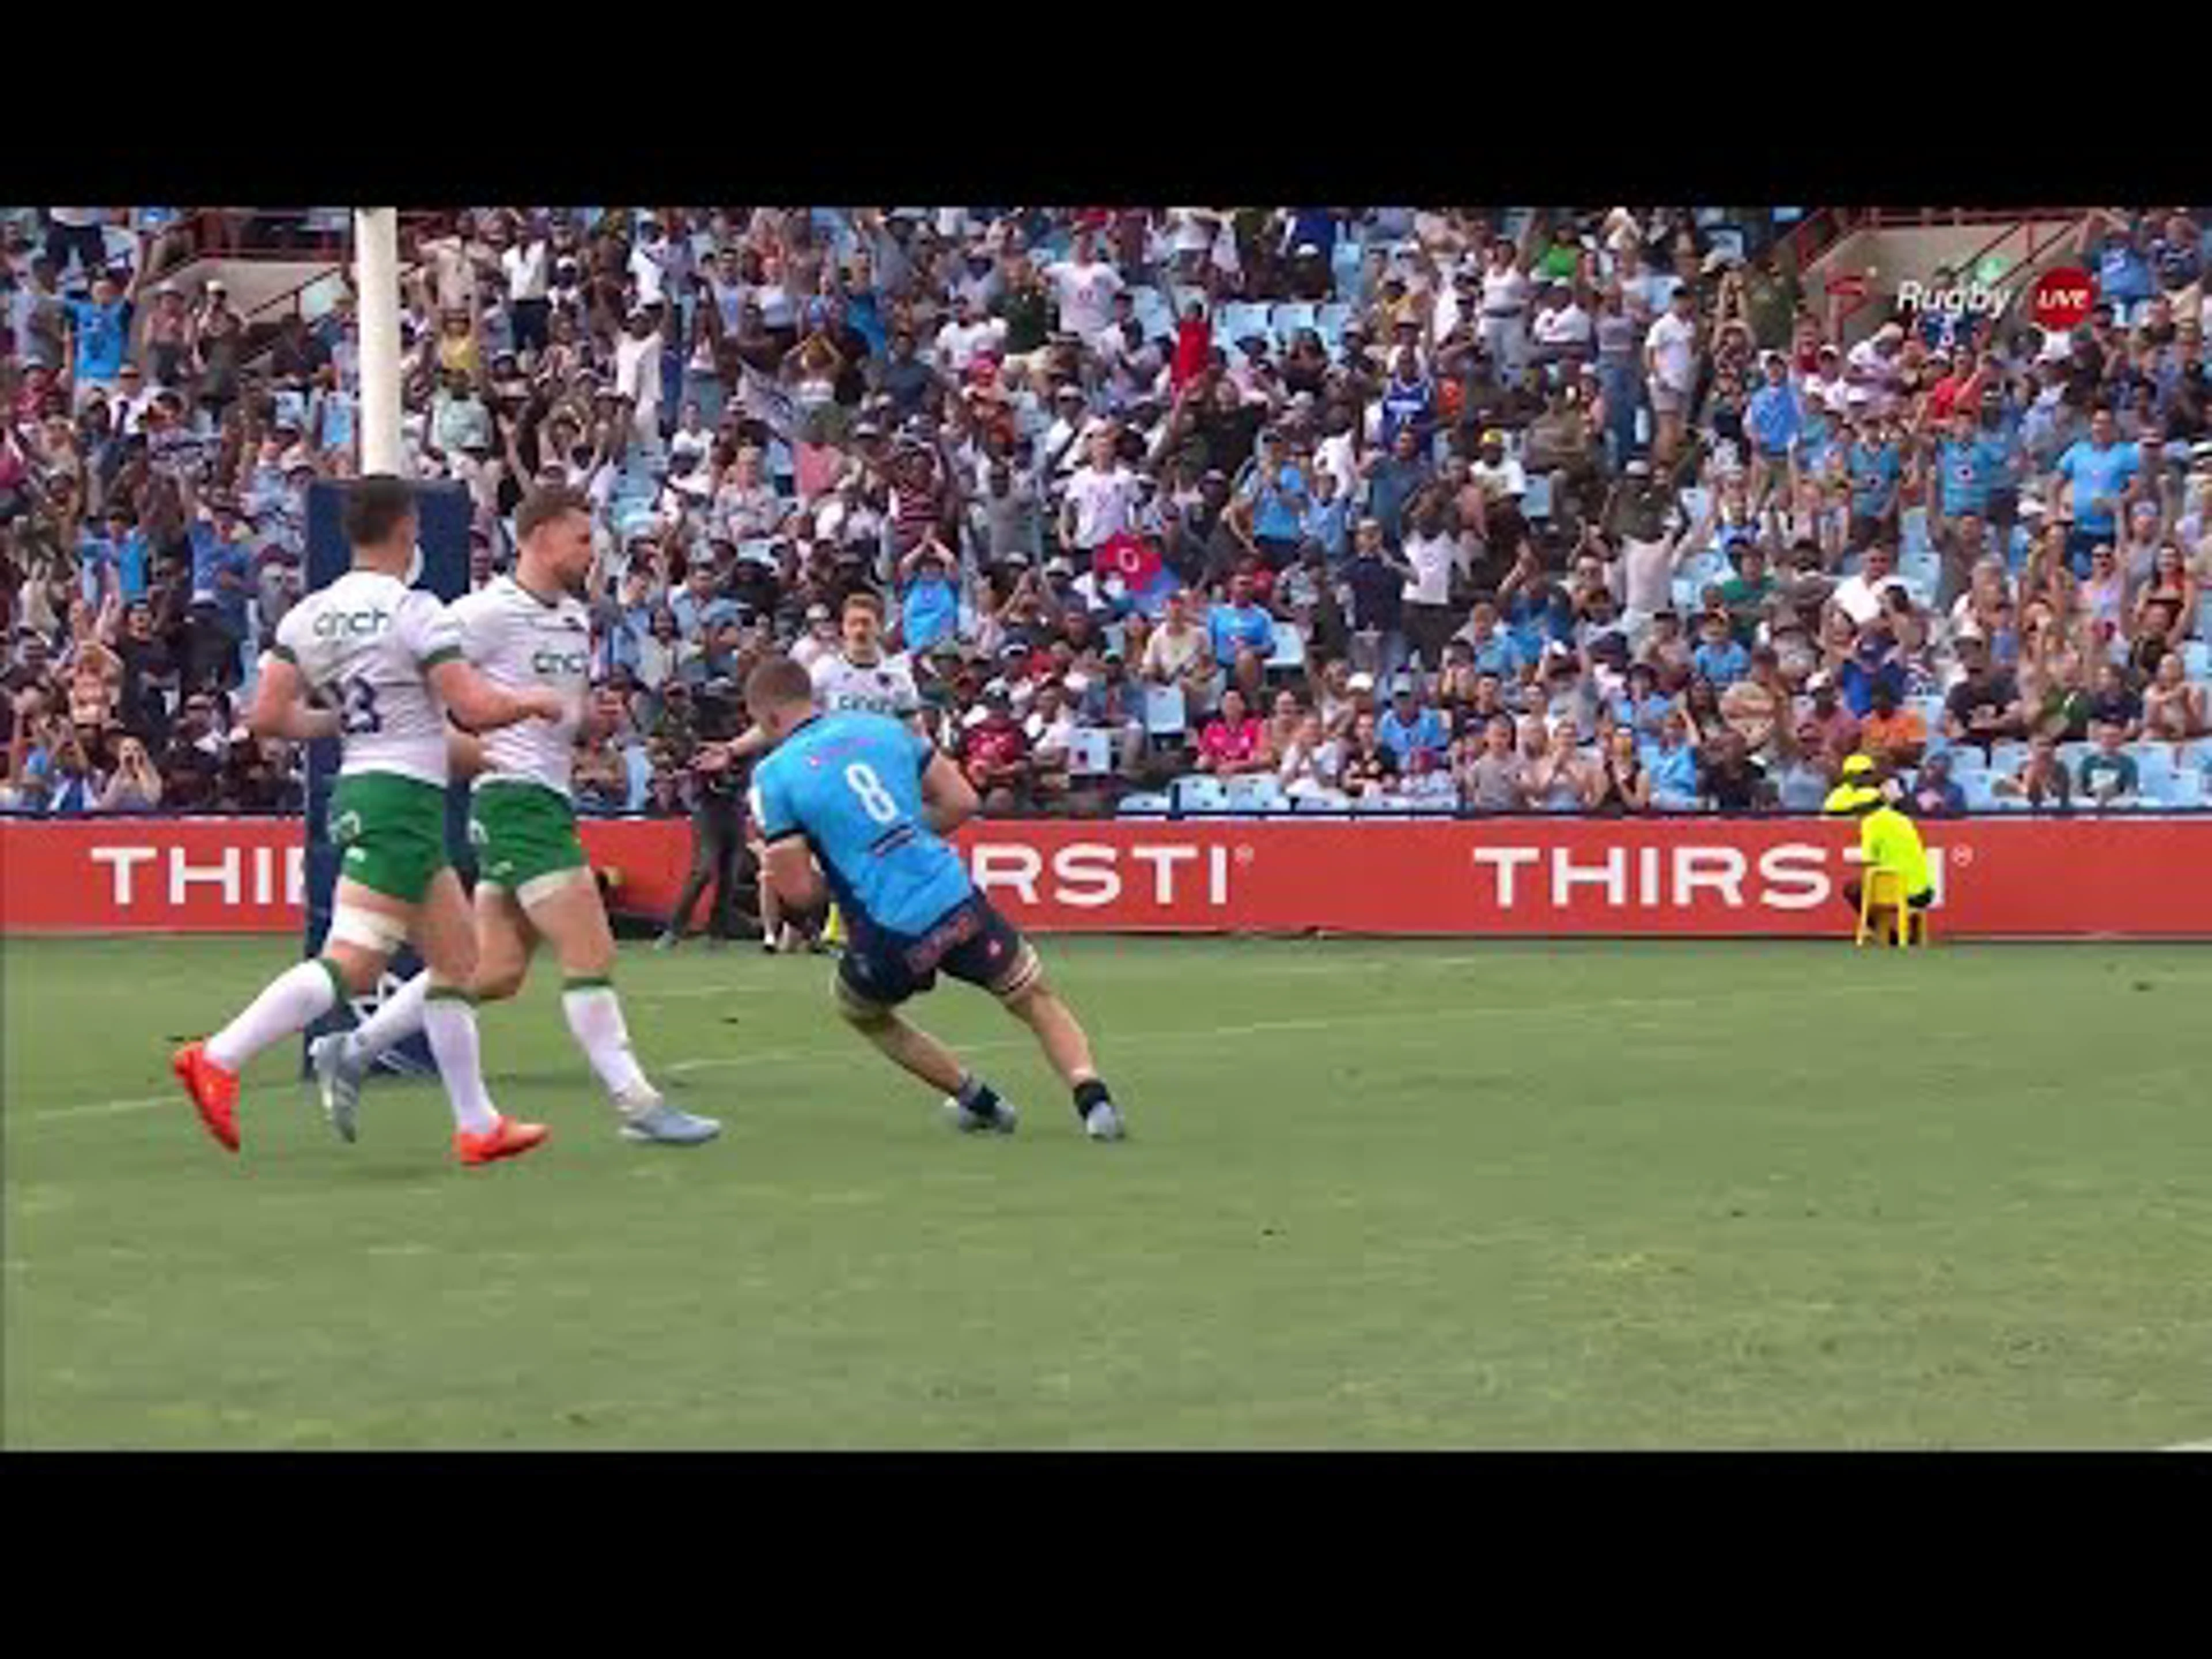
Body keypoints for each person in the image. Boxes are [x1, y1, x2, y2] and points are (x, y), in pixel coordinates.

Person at [169, 475, 566, 1165]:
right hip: (402, 797)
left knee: (457, 958)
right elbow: (470, 704)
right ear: (408, 528)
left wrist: (341, 721)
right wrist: (532, 701)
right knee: (353, 961)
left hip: (361, 784)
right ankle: (219, 1056)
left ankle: (477, 1124)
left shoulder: (309, 615)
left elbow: (266, 716)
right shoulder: (416, 612)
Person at [310, 487, 718, 1149]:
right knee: (592, 948)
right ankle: (637, 1102)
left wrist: (591, 722)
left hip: (547, 795)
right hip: (515, 800)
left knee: (493, 971)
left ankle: (352, 1048)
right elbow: (413, 680)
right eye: (582, 539)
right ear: (539, 539)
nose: (592, 552)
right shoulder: (483, 614)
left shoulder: (569, 618)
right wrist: (457, 746)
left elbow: (559, 713)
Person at [743, 654, 1126, 1142]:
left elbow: (800, 893)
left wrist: (826, 860)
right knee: (1032, 996)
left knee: (862, 1012)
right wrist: (900, 834)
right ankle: (1093, 1099)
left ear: (770, 717)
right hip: (953, 896)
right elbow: (963, 801)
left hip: (889, 928)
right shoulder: (880, 728)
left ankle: (979, 1100)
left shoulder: (774, 776)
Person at [1825, 756, 1933, 944]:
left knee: (1854, 890)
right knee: (1878, 882)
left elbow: (1868, 859)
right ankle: (1904, 928)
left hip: (1901, 891)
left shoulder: (1871, 823)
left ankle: (1888, 934)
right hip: (1926, 891)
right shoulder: (1902, 819)